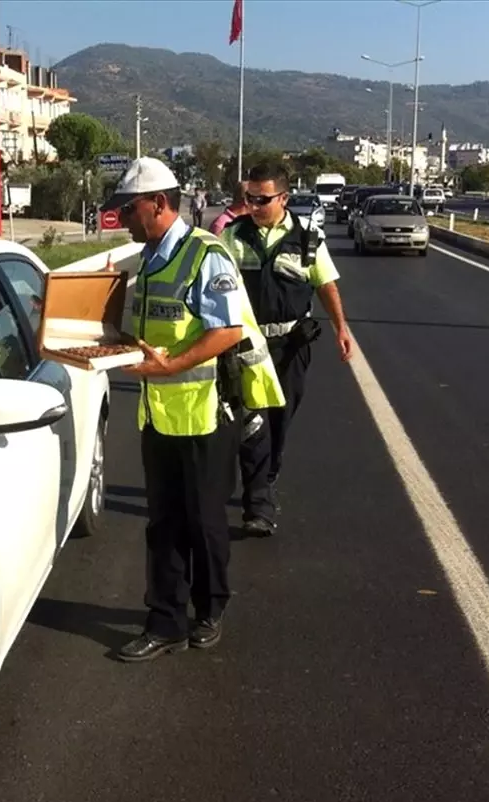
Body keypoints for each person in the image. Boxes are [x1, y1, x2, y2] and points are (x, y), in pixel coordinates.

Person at [100, 158, 284, 663]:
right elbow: (142, 329)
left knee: (204, 522)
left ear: (158, 204)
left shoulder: (207, 255)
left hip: (204, 413)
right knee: (163, 523)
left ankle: (210, 609)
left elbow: (226, 330)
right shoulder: (149, 257)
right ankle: (165, 621)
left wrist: (171, 366)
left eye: (129, 208)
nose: (122, 217)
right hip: (159, 415)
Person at [217, 162, 355, 537]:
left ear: (284, 198)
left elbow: (326, 285)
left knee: (280, 419)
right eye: (250, 198)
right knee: (252, 421)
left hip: (291, 347)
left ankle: (269, 473)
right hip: (247, 347)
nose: (255, 205)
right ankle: (257, 504)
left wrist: (342, 328)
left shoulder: (308, 238)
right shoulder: (232, 236)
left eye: (262, 199)